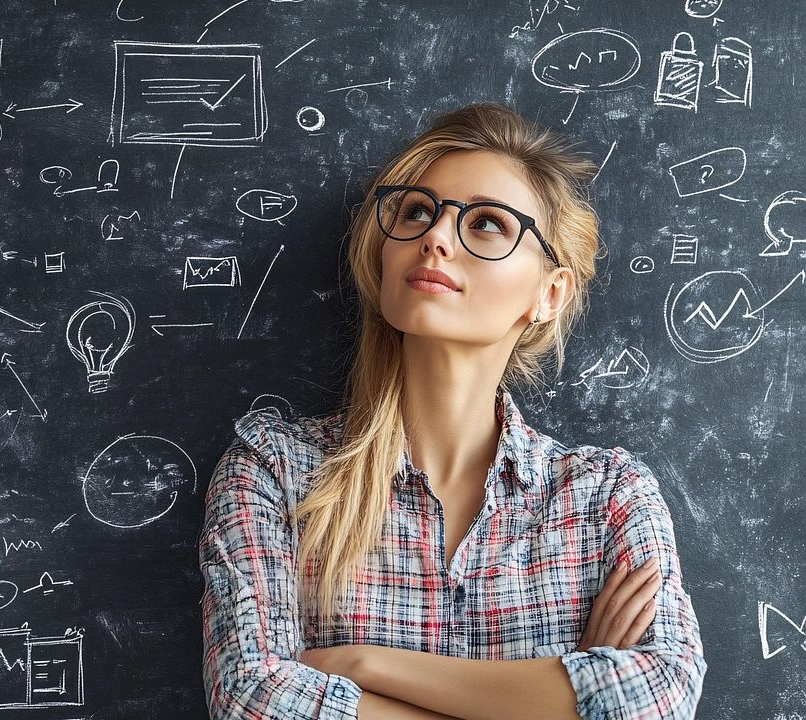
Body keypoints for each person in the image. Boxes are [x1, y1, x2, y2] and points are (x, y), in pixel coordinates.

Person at [198, 102, 706, 719]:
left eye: (488, 223)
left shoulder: (607, 496)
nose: (436, 236)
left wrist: (360, 665)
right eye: (416, 211)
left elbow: (661, 695)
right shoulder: (275, 472)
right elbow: (251, 700)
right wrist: (558, 703)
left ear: (549, 293)